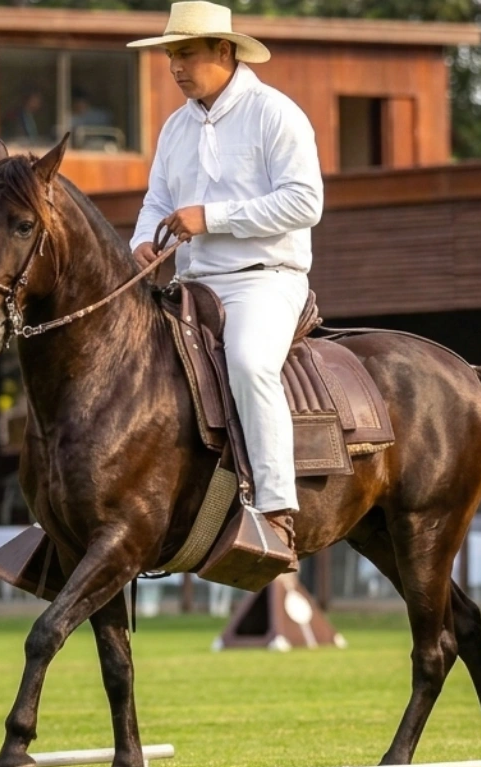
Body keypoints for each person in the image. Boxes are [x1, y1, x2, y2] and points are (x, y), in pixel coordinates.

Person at [128, 1, 324, 571]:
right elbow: (158, 203)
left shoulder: (275, 114)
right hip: (191, 285)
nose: (175, 67)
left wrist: (211, 218)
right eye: (170, 56)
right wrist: (142, 242)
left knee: (248, 362)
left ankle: (277, 512)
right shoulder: (175, 125)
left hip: (266, 281)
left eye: (185, 53)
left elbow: (305, 202)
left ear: (224, 50)